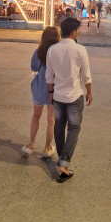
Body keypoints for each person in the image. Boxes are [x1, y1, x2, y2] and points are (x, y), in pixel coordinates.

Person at [46, 17, 93, 183]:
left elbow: (49, 75)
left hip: (58, 96)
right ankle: (64, 166)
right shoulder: (80, 50)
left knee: (59, 127)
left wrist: (51, 92)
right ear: (73, 32)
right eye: (77, 30)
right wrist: (89, 93)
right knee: (73, 129)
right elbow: (86, 75)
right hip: (74, 96)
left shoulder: (52, 49)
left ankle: (61, 159)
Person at [22, 26, 60, 157]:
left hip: (39, 89)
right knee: (51, 120)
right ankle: (47, 148)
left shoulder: (38, 51)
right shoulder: (58, 53)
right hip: (53, 91)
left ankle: (31, 144)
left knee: (35, 116)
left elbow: (33, 67)